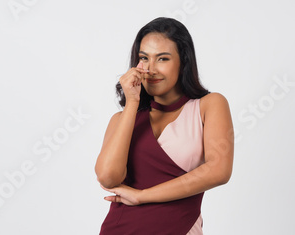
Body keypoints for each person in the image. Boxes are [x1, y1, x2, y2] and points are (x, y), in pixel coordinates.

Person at [94, 17, 234, 234]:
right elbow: (108, 177)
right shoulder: (121, 119)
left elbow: (218, 171)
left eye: (162, 59)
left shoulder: (209, 105)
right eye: (144, 58)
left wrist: (142, 196)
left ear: (183, 62)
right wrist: (132, 103)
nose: (150, 69)